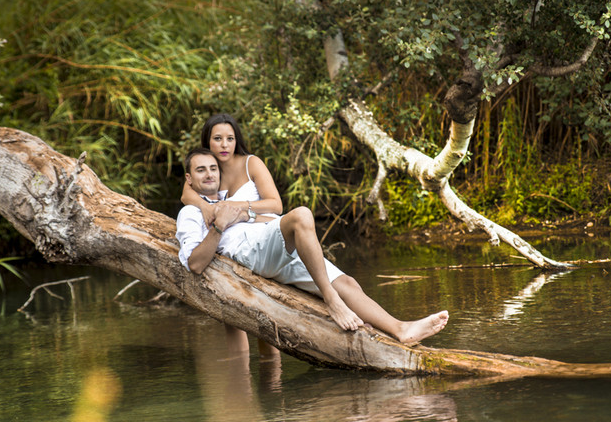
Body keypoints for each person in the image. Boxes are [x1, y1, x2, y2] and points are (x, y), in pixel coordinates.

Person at [176, 148, 449, 345]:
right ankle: (331, 300)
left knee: (349, 284)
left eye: (213, 168)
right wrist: (219, 226)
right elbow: (195, 264)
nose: (209, 174)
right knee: (301, 216)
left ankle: (401, 330)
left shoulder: (229, 199)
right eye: (201, 170)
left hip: (273, 246)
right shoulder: (191, 212)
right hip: (253, 253)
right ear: (189, 178)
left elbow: (270, 216)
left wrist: (241, 214)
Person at [181, 114, 283, 356]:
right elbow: (186, 195)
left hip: (260, 241)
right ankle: (240, 375)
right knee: (233, 316)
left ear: (237, 140)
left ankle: (272, 373)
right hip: (229, 247)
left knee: (265, 317)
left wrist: (236, 206)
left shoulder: (251, 163)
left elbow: (276, 206)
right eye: (217, 139)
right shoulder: (208, 170)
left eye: (230, 138)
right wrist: (205, 206)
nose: (224, 145)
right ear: (208, 141)